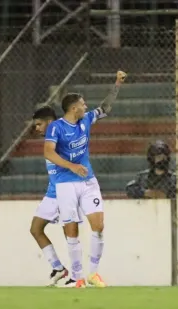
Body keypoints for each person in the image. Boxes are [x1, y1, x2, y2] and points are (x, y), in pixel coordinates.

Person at [43, 70, 127, 288]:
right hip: (65, 184)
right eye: (82, 104)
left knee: (98, 226)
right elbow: (49, 152)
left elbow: (106, 108)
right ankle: (78, 277)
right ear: (73, 108)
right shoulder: (56, 127)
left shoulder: (87, 120)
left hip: (88, 181)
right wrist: (72, 166)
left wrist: (117, 83)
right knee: (72, 231)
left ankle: (93, 273)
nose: (86, 106)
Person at [30, 106, 69, 286]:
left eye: (39, 124)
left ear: (50, 122)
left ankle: (77, 276)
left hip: (64, 193)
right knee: (36, 229)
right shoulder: (50, 140)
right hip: (52, 193)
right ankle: (58, 268)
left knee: (70, 234)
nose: (37, 128)